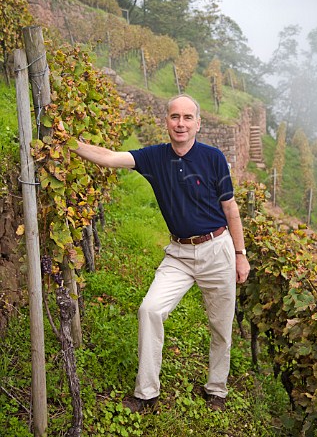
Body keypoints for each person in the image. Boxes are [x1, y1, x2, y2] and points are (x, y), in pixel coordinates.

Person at [72, 94, 250, 413]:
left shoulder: (213, 158)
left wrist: (240, 254)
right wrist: (71, 142)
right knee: (150, 310)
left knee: (221, 326)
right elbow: (111, 157)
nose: (180, 124)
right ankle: (146, 393)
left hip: (217, 250)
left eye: (187, 118)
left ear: (198, 123)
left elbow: (230, 208)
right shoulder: (153, 157)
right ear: (166, 120)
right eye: (174, 117)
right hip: (179, 254)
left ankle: (216, 389)